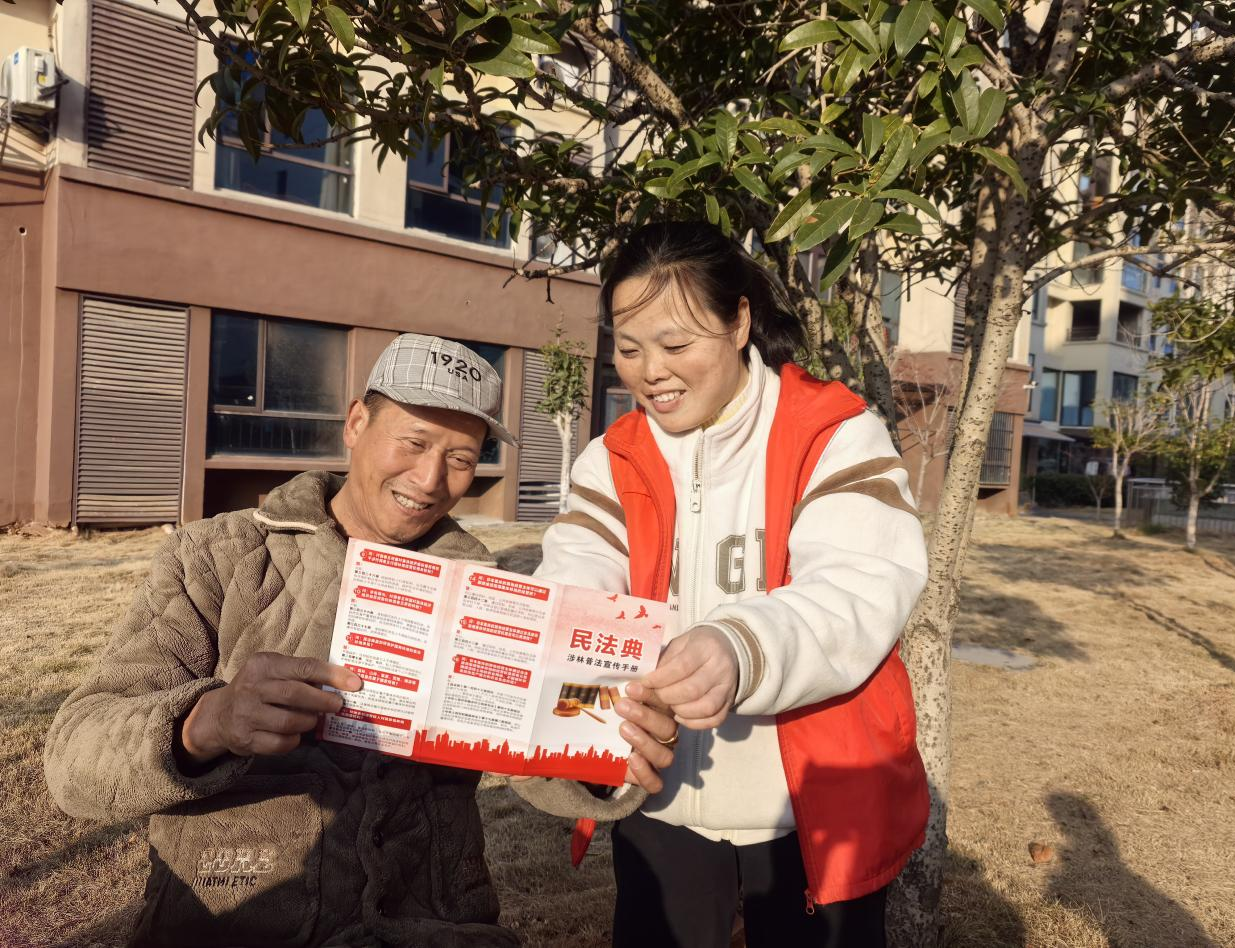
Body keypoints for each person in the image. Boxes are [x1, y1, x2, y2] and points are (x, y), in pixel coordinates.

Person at [43, 333, 678, 948]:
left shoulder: (484, 590)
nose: (431, 479)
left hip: (434, 925)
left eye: (461, 458)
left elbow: (533, 761)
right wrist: (204, 723)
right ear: (355, 424)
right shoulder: (216, 558)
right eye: (414, 441)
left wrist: (601, 746)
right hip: (232, 918)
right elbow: (75, 763)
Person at [528, 222, 931, 948]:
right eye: (629, 346)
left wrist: (738, 647)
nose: (651, 370)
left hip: (809, 811)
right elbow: (576, 581)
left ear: (740, 320)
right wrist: (569, 676)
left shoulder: (833, 433)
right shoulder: (610, 459)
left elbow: (858, 587)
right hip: (663, 806)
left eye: (677, 344)